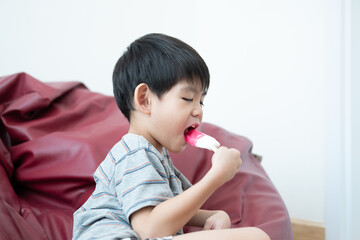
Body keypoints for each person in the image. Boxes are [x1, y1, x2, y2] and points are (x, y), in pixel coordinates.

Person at [72, 33, 270, 240]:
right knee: (256, 237)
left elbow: (170, 208)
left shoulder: (156, 156)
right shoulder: (134, 153)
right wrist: (216, 176)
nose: (198, 111)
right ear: (145, 100)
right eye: (187, 98)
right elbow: (150, 229)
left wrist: (213, 215)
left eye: (201, 102)